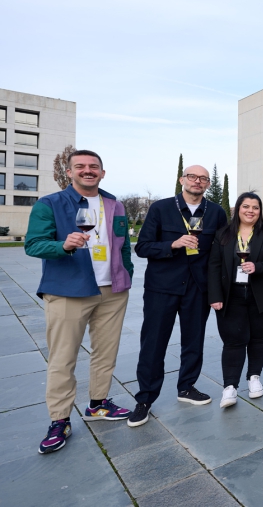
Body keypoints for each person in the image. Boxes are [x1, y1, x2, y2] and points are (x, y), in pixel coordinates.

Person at [25, 150, 134, 453]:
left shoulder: (115, 203)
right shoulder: (50, 204)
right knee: (63, 358)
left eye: (93, 167)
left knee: (105, 353)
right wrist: (63, 244)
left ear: (102, 172)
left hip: (112, 291)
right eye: (81, 167)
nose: (88, 171)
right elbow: (33, 244)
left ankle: (98, 404)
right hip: (68, 290)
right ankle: (60, 419)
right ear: (69, 172)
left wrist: (127, 272)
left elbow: (122, 244)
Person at [129, 165, 228, 427]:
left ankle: (187, 387)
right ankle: (145, 399)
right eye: (193, 177)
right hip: (162, 287)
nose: (198, 181)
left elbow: (221, 252)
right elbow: (142, 247)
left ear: (208, 184)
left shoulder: (216, 212)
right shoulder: (161, 208)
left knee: (193, 341)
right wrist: (172, 244)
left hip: (198, 287)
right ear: (182, 180)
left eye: (203, 178)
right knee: (153, 343)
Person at [209, 193, 263, 408]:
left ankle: (254, 378)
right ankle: (230, 387)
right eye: (246, 206)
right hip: (230, 295)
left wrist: (258, 267)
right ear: (237, 208)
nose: (250, 211)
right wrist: (214, 296)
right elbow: (214, 266)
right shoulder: (223, 235)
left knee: (259, 338)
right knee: (233, 340)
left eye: (255, 207)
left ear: (260, 211)